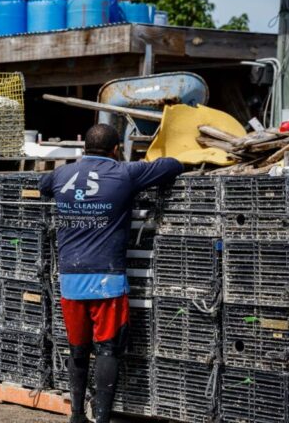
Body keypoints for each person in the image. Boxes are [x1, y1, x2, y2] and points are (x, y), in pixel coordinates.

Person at [39, 124, 183, 423]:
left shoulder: (62, 175)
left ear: (83, 150)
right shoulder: (125, 173)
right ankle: (102, 419)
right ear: (116, 149)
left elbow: (42, 184)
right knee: (108, 348)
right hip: (107, 280)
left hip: (70, 278)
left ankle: (76, 415)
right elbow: (172, 166)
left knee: (78, 347)